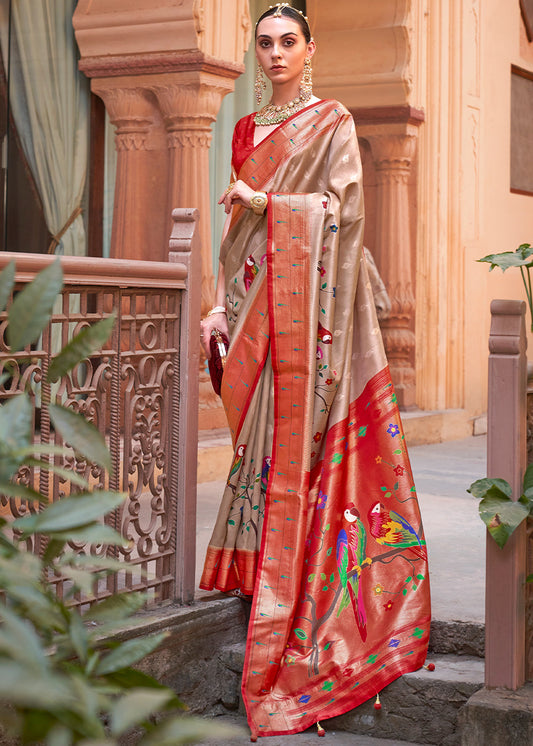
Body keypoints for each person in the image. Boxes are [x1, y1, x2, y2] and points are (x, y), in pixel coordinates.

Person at [200, 3, 431, 739]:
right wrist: (215, 304)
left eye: (286, 42)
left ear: (309, 48)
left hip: (314, 305)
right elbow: (236, 230)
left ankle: (302, 573)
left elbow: (343, 208)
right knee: (258, 434)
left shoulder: (328, 122)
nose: (273, 54)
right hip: (251, 302)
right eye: (263, 42)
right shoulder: (245, 129)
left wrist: (268, 200)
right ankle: (258, 562)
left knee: (301, 434)